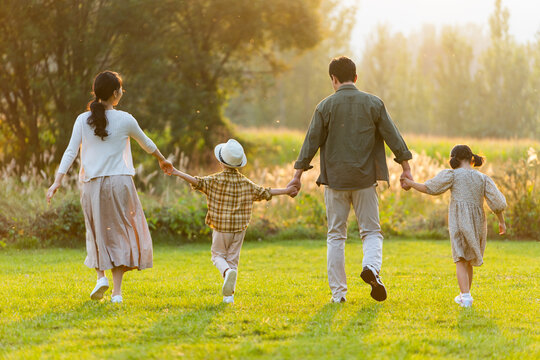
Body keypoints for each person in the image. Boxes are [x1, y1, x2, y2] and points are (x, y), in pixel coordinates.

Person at [288, 56, 413, 303]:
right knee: (372, 232)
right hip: (365, 180)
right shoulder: (374, 103)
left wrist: (297, 175)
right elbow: (393, 137)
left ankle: (338, 295)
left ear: (333, 79)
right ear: (355, 77)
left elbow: (310, 142)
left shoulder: (325, 106)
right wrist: (406, 168)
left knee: (336, 236)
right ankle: (371, 268)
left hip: (335, 181)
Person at [46, 71, 173, 303]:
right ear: (115, 94)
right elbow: (147, 143)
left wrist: (57, 181)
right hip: (120, 183)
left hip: (92, 184)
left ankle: (100, 278)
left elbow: (70, 152)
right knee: (120, 234)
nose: (122, 93)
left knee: (95, 232)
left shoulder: (82, 120)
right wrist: (162, 159)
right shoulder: (125, 119)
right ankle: (116, 293)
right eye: (121, 89)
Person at [170, 139, 297, 303]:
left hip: (221, 228)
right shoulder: (246, 183)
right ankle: (228, 297)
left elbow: (196, 181)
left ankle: (226, 273)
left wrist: (176, 172)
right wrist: (286, 190)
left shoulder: (214, 180)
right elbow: (265, 192)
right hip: (239, 229)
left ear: (222, 163)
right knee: (232, 261)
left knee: (217, 256)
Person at [401, 144, 506, 307]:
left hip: (459, 220)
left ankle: (465, 296)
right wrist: (501, 222)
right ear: (471, 158)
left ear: (454, 159)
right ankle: (466, 295)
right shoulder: (482, 178)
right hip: (478, 222)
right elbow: (497, 201)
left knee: (460, 257)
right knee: (469, 258)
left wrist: (410, 183)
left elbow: (430, 188)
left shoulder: (453, 175)